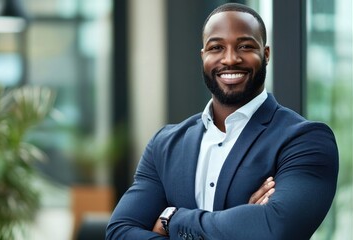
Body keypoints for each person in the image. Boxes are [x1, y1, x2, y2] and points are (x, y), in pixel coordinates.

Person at [105, 3, 338, 240]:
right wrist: (241, 223)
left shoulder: (304, 140)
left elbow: (274, 229)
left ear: (265, 54)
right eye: (216, 47)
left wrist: (172, 219)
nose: (230, 59)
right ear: (203, 55)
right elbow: (119, 232)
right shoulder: (165, 145)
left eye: (245, 46)